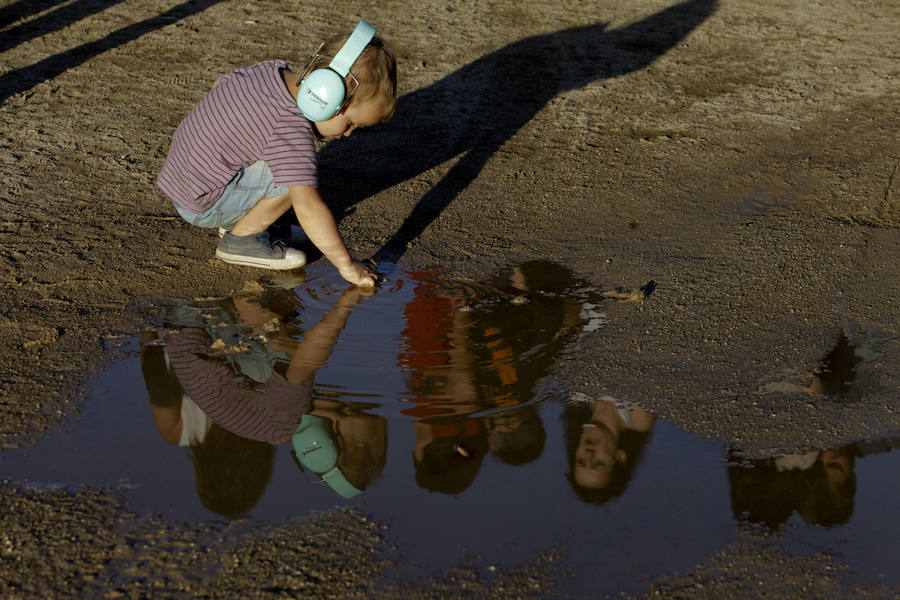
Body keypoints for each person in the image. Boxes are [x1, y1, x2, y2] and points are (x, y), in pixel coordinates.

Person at [157, 21, 397, 286]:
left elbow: (217, 86)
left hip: (181, 178)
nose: (349, 133)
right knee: (295, 176)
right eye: (351, 123)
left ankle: (243, 216)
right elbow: (307, 206)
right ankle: (242, 239)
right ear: (326, 97)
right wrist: (347, 265)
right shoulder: (290, 126)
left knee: (280, 157)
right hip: (201, 203)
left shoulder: (269, 70)